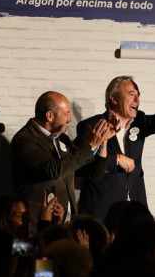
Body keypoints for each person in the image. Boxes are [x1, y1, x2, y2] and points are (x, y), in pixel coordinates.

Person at [77, 74, 155, 222]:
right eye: (131, 94)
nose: (137, 100)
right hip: (102, 212)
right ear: (113, 99)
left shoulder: (139, 122)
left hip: (135, 211)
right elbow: (81, 166)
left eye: (138, 95)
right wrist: (115, 159)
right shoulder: (92, 126)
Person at [11, 91, 114, 234]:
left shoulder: (62, 138)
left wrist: (102, 142)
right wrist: (90, 145)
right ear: (50, 116)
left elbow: (93, 174)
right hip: (35, 227)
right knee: (40, 258)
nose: (70, 118)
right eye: (66, 113)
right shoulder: (25, 140)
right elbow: (55, 171)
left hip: (63, 225)